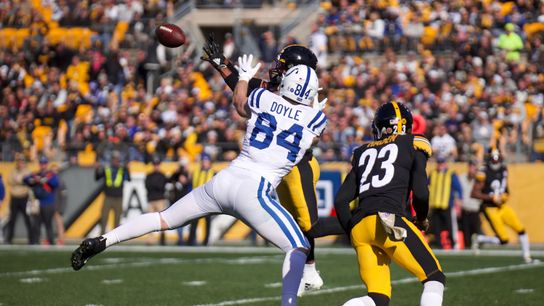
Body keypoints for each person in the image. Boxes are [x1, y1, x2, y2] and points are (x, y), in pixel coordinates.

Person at [72, 59, 325, 306]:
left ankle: (103, 240)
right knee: (298, 247)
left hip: (224, 181)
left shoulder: (263, 98)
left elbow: (240, 104)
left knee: (163, 219)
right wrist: (313, 109)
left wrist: (245, 78)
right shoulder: (316, 120)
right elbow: (308, 139)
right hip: (255, 191)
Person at [201, 35, 344, 295]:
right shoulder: (279, 88)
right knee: (296, 224)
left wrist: (230, 70)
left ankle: (365, 219)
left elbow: (309, 134)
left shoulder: (306, 94)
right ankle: (309, 272)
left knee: (309, 225)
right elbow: (241, 84)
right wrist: (223, 64)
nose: (277, 68)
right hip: (280, 167)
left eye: (282, 65)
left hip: (298, 166)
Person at [334, 102, 445, 306]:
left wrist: (352, 232)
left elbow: (341, 200)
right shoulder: (413, 143)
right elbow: (420, 191)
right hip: (389, 220)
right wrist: (421, 218)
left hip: (360, 226)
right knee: (434, 278)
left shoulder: (363, 151)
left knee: (377, 298)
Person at [471, 149, 537, 263]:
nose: (495, 163)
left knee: (521, 229)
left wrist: (505, 196)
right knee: (504, 239)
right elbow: (474, 193)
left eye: (497, 160)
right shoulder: (484, 171)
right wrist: (491, 198)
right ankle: (479, 239)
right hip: (490, 208)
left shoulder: (504, 169)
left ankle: (527, 257)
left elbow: (506, 190)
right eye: (493, 160)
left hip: (501, 207)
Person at [428, 156, 463, 249]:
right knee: (436, 227)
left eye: (442, 163)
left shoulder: (451, 174)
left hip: (447, 205)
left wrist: (458, 203)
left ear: (445, 164)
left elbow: (458, 189)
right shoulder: (433, 173)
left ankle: (453, 243)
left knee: (450, 226)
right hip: (435, 205)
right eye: (439, 163)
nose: (440, 165)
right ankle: (439, 244)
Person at [24, 156, 59, 245]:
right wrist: (34, 180)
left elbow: (55, 183)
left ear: (47, 164)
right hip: (38, 203)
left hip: (48, 203)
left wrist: (45, 180)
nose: (43, 165)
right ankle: (35, 242)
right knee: (36, 224)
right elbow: (25, 179)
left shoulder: (51, 174)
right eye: (41, 163)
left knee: (48, 224)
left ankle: (51, 242)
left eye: (44, 163)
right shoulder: (36, 174)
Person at [95, 151, 131, 234]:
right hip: (108, 197)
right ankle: (102, 236)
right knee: (104, 218)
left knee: (117, 219)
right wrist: (97, 169)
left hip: (118, 198)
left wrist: (128, 169)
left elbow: (129, 179)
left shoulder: (122, 169)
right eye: (114, 159)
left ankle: (116, 238)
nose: (115, 161)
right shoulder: (107, 169)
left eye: (117, 159)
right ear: (111, 160)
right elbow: (97, 178)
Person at [187, 153, 215, 246]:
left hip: (208, 201)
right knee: (194, 222)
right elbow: (190, 185)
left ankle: (206, 241)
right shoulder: (195, 172)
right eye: (203, 161)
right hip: (196, 201)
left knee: (207, 223)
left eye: (206, 161)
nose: (204, 163)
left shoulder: (213, 173)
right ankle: (191, 241)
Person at [5, 154, 33, 244]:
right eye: (19, 161)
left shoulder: (27, 171)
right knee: (12, 219)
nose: (20, 163)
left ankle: (31, 239)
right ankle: (9, 239)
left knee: (27, 219)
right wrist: (20, 180)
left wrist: (20, 180)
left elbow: (27, 181)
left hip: (24, 197)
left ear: (24, 162)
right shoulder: (14, 171)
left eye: (22, 161)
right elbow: (10, 180)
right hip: (14, 198)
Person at [458, 160, 482, 248]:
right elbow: (458, 194)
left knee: (475, 232)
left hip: (475, 210)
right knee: (466, 234)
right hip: (465, 210)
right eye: (471, 167)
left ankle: (476, 247)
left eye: (474, 168)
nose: (473, 170)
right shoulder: (462, 178)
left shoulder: (479, 180)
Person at [167, 158, 192, 245]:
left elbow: (189, 183)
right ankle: (181, 238)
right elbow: (170, 180)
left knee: (187, 220)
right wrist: (176, 172)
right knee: (179, 221)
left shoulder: (188, 174)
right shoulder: (177, 174)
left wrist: (186, 177)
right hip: (177, 200)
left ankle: (188, 238)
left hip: (185, 200)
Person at [144, 157, 168, 245]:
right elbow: (148, 186)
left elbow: (161, 186)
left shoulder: (162, 175)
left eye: (157, 164)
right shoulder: (149, 175)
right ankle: (150, 240)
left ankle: (163, 238)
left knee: (162, 220)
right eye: (155, 164)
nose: (156, 166)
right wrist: (156, 186)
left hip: (160, 200)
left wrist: (155, 186)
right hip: (151, 200)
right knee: (150, 221)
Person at [54, 172, 67, 245]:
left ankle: (61, 239)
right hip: (53, 206)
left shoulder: (61, 182)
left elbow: (64, 196)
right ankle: (58, 238)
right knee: (55, 224)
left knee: (59, 223)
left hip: (58, 207)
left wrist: (61, 208)